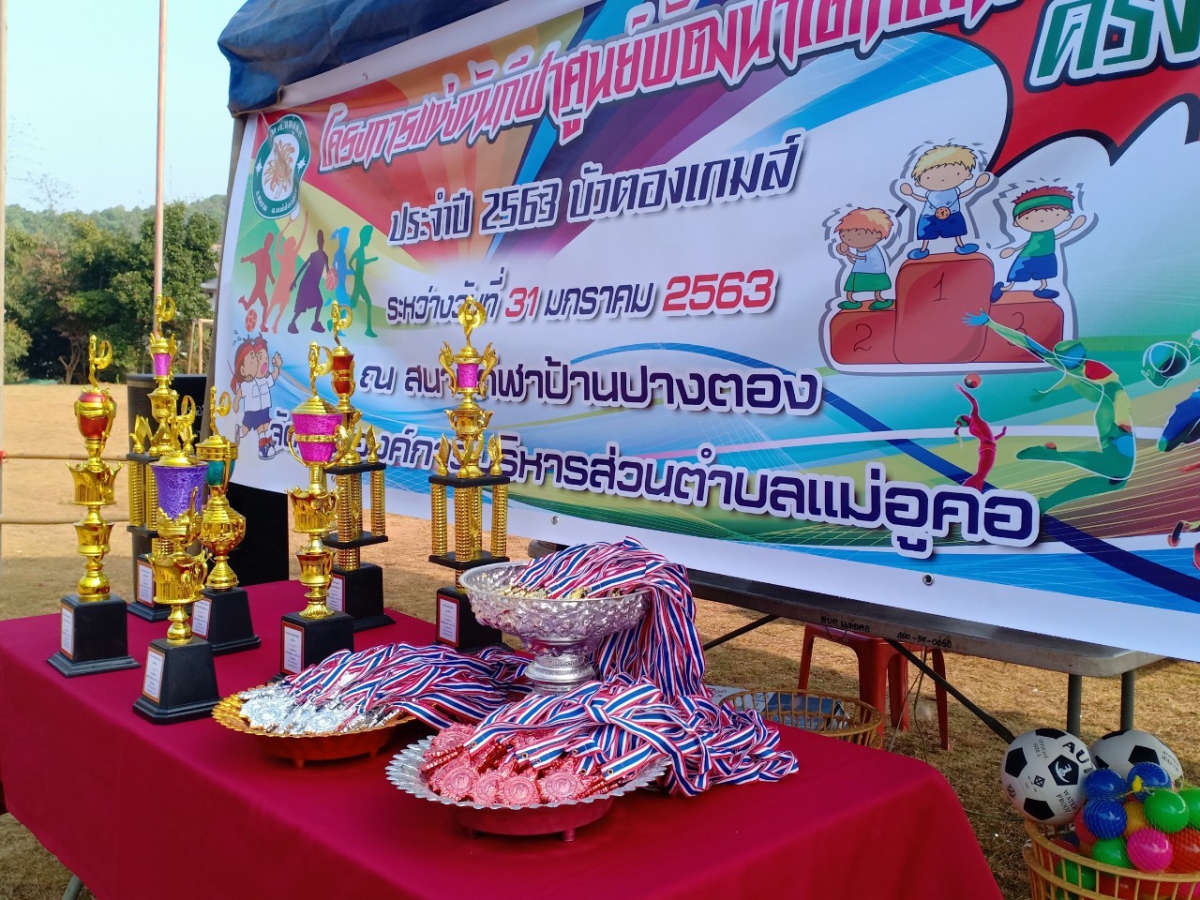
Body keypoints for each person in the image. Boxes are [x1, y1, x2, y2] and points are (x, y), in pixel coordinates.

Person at [964, 310, 1134, 511]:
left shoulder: (1075, 367)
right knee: (1120, 471)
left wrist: (991, 323)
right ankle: (1057, 456)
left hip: (1109, 414)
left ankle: (1046, 502)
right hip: (1111, 414)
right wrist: (1122, 418)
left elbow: (1027, 343)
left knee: (1116, 481)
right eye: (1075, 356)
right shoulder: (1081, 366)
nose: (1078, 359)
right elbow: (1117, 391)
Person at [991, 186, 1085, 301]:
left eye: (1056, 214)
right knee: (1017, 276)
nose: (1042, 220)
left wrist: (1071, 229)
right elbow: (1027, 243)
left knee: (1043, 275)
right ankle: (1003, 288)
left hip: (1046, 255)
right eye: (1027, 218)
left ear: (1067, 216)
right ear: (1016, 223)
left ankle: (1042, 289)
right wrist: (1015, 250)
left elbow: (1056, 237)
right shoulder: (1035, 234)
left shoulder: (1049, 232)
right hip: (1027, 256)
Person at [899, 144, 990, 260]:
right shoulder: (930, 193)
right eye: (929, 177)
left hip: (953, 214)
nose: (942, 179)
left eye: (957, 173)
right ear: (918, 182)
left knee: (957, 231)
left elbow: (960, 196)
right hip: (929, 216)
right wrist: (911, 194)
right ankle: (923, 249)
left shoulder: (954, 190)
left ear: (968, 175)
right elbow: (924, 199)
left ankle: (961, 246)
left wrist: (975, 187)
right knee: (926, 234)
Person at [230, 335, 283, 459]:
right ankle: (244, 435)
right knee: (247, 430)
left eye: (265, 358)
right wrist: (236, 402)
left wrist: (277, 367)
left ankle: (267, 446)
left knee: (265, 427)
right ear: (243, 370)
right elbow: (240, 393)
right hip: (252, 412)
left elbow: (274, 376)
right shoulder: (248, 383)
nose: (263, 362)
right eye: (258, 358)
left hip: (264, 409)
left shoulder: (264, 380)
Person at [833, 208, 894, 311]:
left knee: (877, 287)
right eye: (844, 235)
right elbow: (855, 261)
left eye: (859, 234)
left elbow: (862, 258)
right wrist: (847, 254)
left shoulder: (872, 251)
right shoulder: (860, 249)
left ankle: (880, 300)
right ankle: (851, 301)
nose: (849, 239)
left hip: (875, 272)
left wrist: (848, 253)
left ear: (878, 235)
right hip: (859, 271)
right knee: (851, 286)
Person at [954, 383, 1006, 490]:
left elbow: (990, 438)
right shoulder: (974, 418)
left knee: (981, 476)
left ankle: (977, 494)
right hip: (987, 449)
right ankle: (962, 490)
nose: (965, 415)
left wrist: (1002, 434)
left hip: (986, 448)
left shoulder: (972, 427)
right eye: (963, 416)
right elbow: (974, 402)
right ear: (964, 418)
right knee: (981, 475)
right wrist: (962, 390)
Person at [263, 213, 306, 333]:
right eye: (292, 243)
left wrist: (306, 222)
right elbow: (300, 239)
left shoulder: (289, 255)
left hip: (287, 284)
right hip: (283, 283)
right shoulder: (288, 255)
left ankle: (274, 324)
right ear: (289, 246)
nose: (293, 244)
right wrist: (306, 221)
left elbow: (301, 239)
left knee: (280, 305)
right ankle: (265, 321)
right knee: (275, 304)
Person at [288, 229, 329, 334]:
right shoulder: (314, 255)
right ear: (318, 241)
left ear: (323, 241)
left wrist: (333, 278)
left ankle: (314, 323)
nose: (321, 242)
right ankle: (293, 324)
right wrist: (294, 281)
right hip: (307, 283)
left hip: (314, 284)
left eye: (322, 240)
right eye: (319, 240)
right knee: (302, 306)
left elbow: (328, 272)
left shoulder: (325, 256)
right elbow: (303, 267)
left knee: (319, 302)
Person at [347, 224, 380, 336]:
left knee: (352, 305)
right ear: (364, 238)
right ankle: (368, 330)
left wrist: (372, 260)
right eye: (368, 237)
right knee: (367, 303)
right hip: (359, 283)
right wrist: (354, 273)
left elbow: (361, 262)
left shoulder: (361, 250)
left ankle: (333, 322)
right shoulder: (359, 250)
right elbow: (350, 262)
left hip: (359, 282)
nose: (370, 239)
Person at [238, 233, 275, 318]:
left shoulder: (267, 256)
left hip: (260, 286)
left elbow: (268, 269)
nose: (268, 245)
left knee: (249, 306)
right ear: (265, 242)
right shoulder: (260, 253)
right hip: (259, 286)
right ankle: (263, 323)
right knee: (265, 305)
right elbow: (252, 256)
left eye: (270, 243)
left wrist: (272, 279)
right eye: (268, 242)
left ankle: (242, 300)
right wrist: (244, 259)